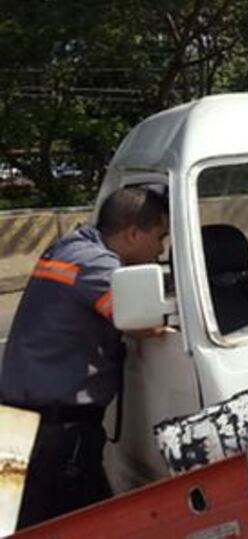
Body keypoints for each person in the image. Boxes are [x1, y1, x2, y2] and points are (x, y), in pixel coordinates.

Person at [0, 186, 170, 528]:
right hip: (58, 431)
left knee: (20, 519)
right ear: (133, 234)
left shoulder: (69, 247)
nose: (162, 249)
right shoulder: (98, 265)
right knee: (82, 524)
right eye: (160, 237)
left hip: (20, 419)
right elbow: (143, 324)